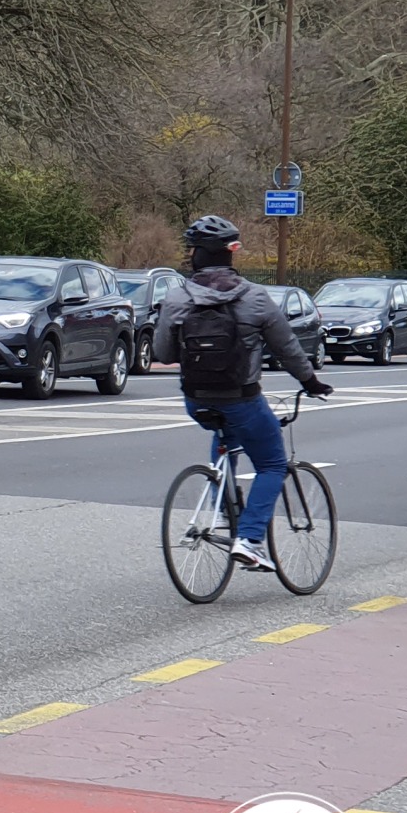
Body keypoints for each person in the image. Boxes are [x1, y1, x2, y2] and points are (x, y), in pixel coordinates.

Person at [150, 215, 332, 572]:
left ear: (197, 255)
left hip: (196, 399)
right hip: (242, 398)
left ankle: (219, 509)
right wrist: (310, 382)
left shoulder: (177, 297)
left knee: (225, 435)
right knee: (272, 464)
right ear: (231, 254)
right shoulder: (255, 297)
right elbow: (288, 348)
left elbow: (164, 355)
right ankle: (249, 540)